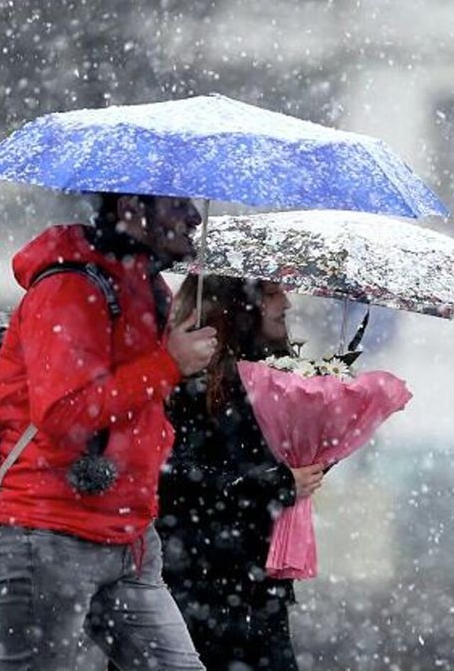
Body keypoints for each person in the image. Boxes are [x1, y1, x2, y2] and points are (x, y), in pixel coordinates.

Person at [0, 193, 217, 671]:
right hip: (47, 534)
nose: (194, 216)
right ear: (132, 206)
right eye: (176, 205)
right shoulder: (68, 288)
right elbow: (64, 414)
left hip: (129, 537)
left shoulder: (148, 287)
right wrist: (168, 364)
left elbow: (141, 402)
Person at [158, 274, 326, 671]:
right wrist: (275, 483)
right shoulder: (184, 380)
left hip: (252, 586)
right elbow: (169, 477)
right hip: (193, 584)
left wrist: (314, 454)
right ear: (238, 304)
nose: (285, 302)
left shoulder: (274, 380)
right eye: (271, 293)